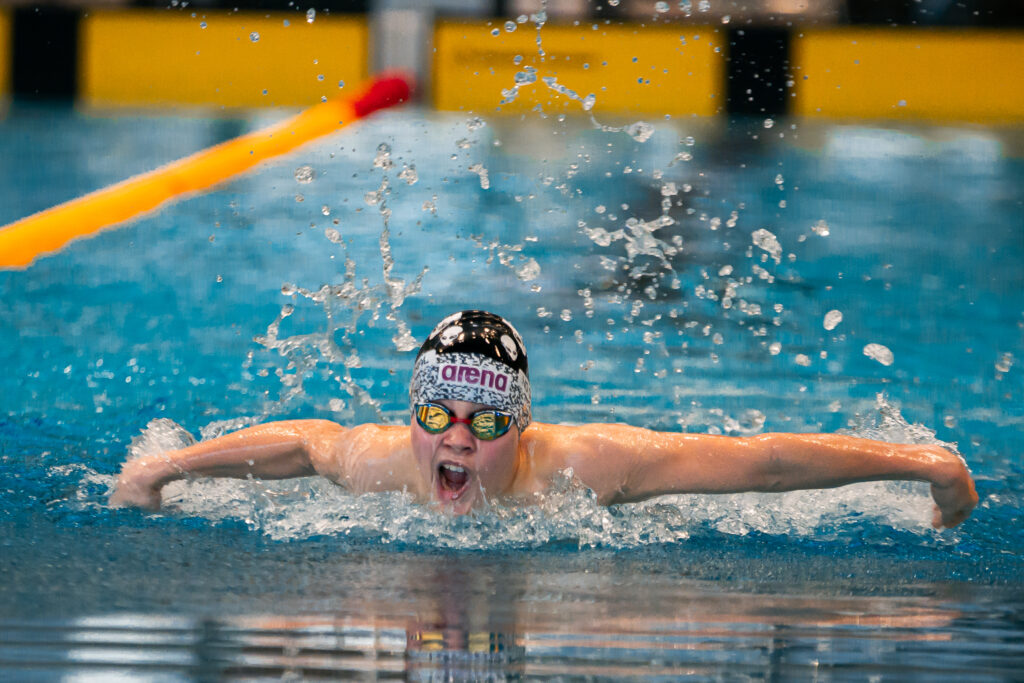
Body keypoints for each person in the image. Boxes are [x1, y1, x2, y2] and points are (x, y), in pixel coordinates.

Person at [111, 310, 978, 528]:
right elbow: (305, 441)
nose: (455, 435)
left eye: (485, 421)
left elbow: (763, 465)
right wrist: (164, 467)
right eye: (436, 412)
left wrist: (920, 462)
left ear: (521, 429)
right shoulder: (387, 461)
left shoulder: (586, 466)